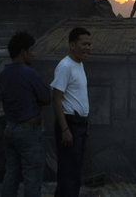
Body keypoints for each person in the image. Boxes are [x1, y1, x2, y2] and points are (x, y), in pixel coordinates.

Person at [0, 32, 50, 197]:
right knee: (32, 178)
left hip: (10, 129)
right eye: (32, 50)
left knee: (11, 175)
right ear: (23, 52)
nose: (34, 54)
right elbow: (45, 98)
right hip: (28, 131)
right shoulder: (30, 73)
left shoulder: (4, 74)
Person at [51, 27, 92, 197]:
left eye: (89, 44)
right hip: (70, 125)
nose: (87, 48)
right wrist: (65, 129)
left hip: (79, 125)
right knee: (68, 172)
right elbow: (56, 99)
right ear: (72, 45)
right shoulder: (65, 66)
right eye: (84, 44)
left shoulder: (79, 64)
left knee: (74, 171)